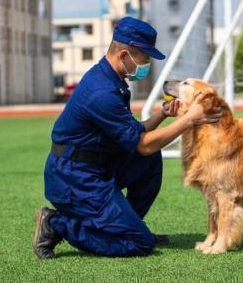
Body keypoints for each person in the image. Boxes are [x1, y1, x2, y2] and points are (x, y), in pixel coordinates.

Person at [33, 16, 223, 258]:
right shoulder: (102, 93)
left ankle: (129, 227)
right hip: (75, 179)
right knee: (140, 245)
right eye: (143, 60)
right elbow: (142, 145)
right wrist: (189, 119)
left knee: (150, 161)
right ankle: (56, 224)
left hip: (96, 165)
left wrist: (162, 115)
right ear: (124, 55)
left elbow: (134, 134)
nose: (145, 66)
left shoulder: (111, 79)